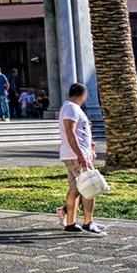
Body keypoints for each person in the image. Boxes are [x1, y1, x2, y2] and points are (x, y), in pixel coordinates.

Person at [57, 81, 104, 235]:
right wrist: (81, 155)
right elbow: (70, 132)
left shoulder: (71, 108)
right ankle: (88, 222)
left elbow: (79, 132)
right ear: (82, 94)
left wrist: (89, 147)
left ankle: (70, 221)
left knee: (76, 188)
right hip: (76, 155)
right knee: (90, 187)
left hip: (75, 154)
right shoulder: (71, 108)